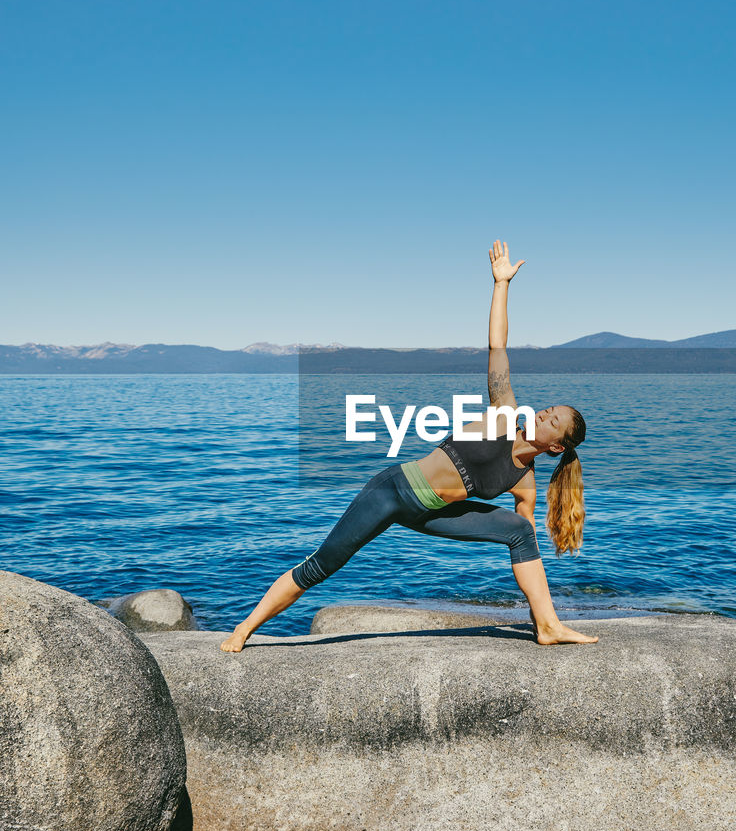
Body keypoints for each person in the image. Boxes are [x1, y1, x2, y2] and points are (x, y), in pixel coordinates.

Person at [220, 240, 598, 651]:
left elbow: (527, 547)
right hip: (392, 492)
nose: (543, 414)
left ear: (557, 447)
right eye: (548, 410)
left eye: (553, 421)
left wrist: (532, 603)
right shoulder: (504, 415)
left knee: (521, 532)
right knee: (323, 565)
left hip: (433, 514)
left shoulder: (524, 481)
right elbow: (498, 346)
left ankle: (547, 625)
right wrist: (501, 285)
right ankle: (245, 629)